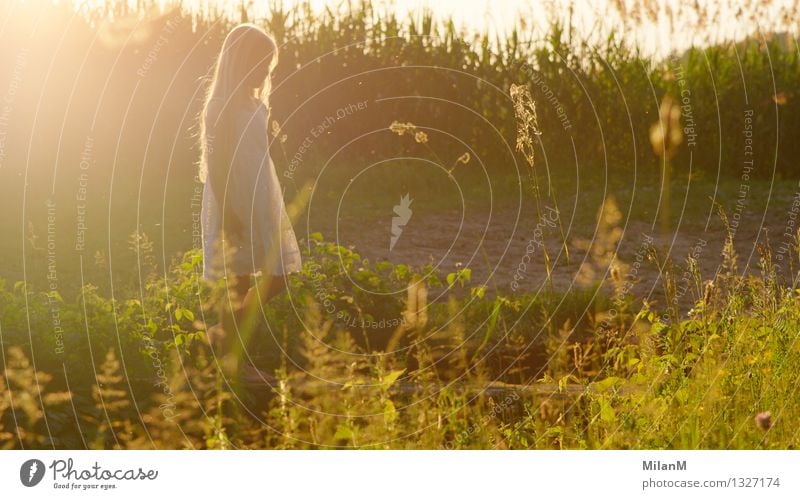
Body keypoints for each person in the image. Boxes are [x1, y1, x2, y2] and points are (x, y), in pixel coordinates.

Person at [197, 23, 301, 382]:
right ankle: (232, 363)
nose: (265, 72)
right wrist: (227, 211)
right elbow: (218, 163)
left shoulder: (254, 101)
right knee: (238, 281)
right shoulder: (220, 106)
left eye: (268, 66)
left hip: (259, 196)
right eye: (260, 64)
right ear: (241, 61)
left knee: (279, 275)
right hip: (233, 199)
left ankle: (221, 340)